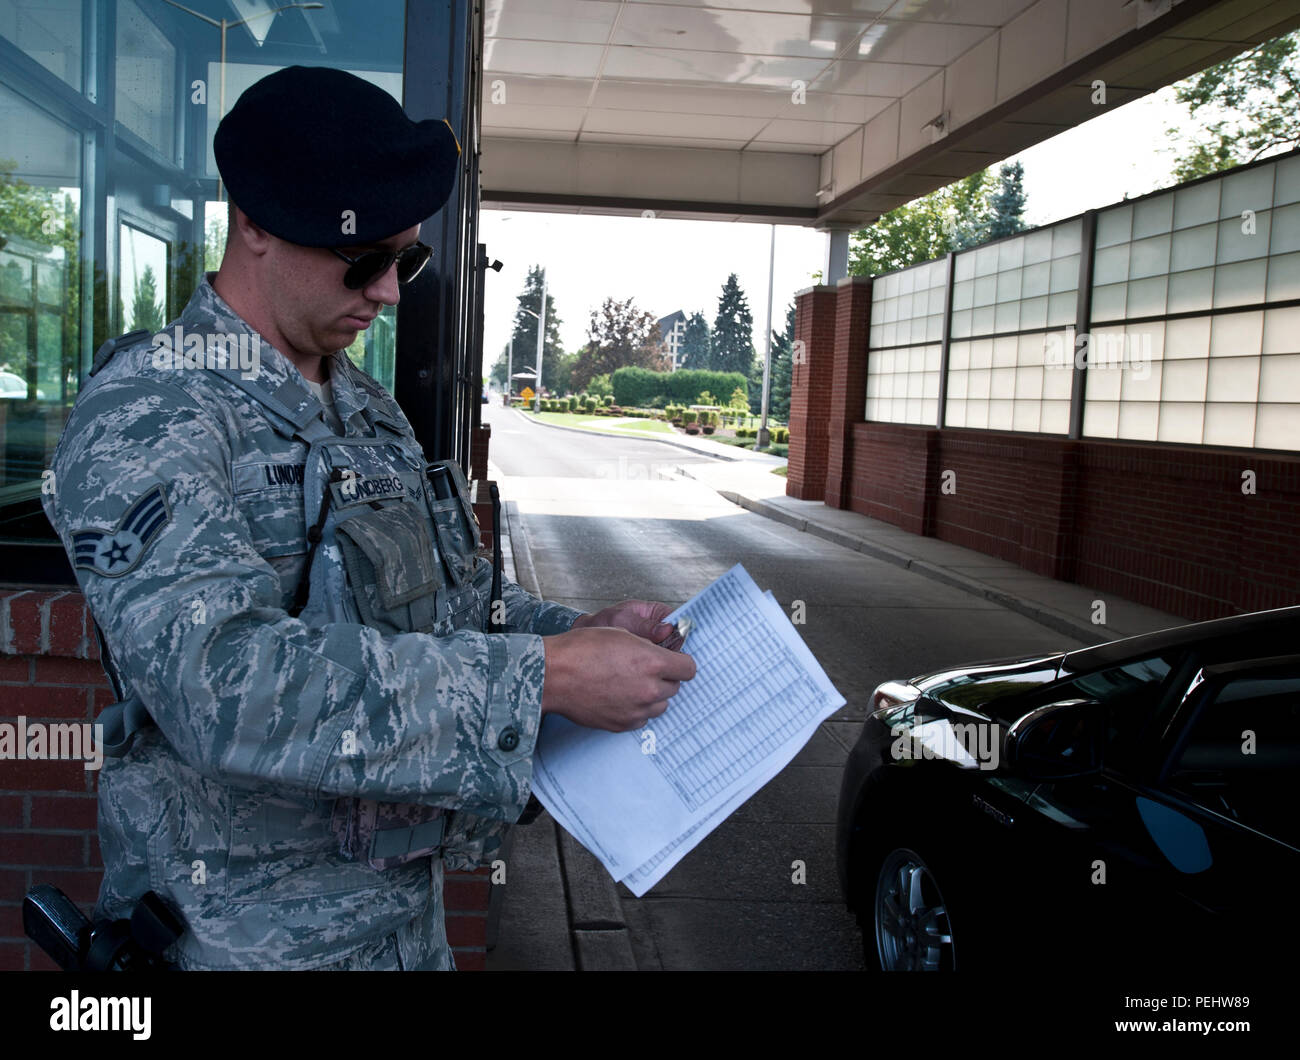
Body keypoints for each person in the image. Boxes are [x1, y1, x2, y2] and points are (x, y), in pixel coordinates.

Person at [42, 65, 695, 971]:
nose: (390, 293)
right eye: (364, 261)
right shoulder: (152, 412)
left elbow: (461, 609)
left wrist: (574, 630)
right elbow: (219, 682)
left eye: (407, 259)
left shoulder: (369, 412)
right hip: (241, 946)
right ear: (255, 224)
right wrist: (539, 679)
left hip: (401, 931)